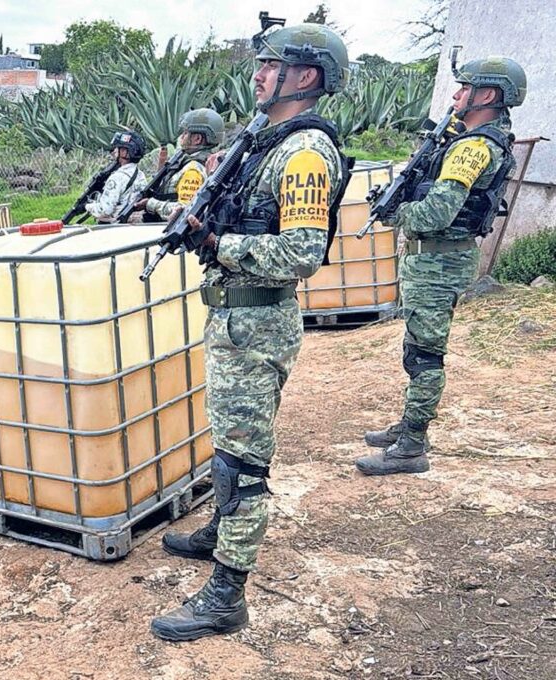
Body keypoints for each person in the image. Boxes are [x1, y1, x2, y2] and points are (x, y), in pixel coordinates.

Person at [150, 20, 351, 642]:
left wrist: (217, 243)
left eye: (270, 65)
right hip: (235, 317)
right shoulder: (264, 141)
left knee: (243, 460)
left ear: (305, 76)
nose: (258, 75)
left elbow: (301, 253)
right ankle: (220, 532)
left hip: (258, 322)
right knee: (228, 443)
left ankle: (226, 594)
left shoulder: (305, 153)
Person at [356, 57, 525, 476]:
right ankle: (410, 427)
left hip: (438, 263)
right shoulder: (472, 140)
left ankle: (412, 446)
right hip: (438, 260)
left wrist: (395, 212)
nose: (456, 94)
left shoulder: (472, 148)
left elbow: (435, 214)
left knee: (425, 356)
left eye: (465, 87)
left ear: (487, 95)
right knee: (417, 349)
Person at [133, 109, 225, 221]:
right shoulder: (187, 162)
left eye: (185, 133)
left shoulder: (193, 170)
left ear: (197, 139)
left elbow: (185, 210)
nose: (181, 136)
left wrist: (149, 203)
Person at [84, 130, 148, 223]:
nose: (114, 151)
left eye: (118, 148)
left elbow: (105, 210)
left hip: (116, 226)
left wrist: (87, 206)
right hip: (136, 224)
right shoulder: (140, 174)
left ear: (124, 152)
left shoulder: (117, 177)